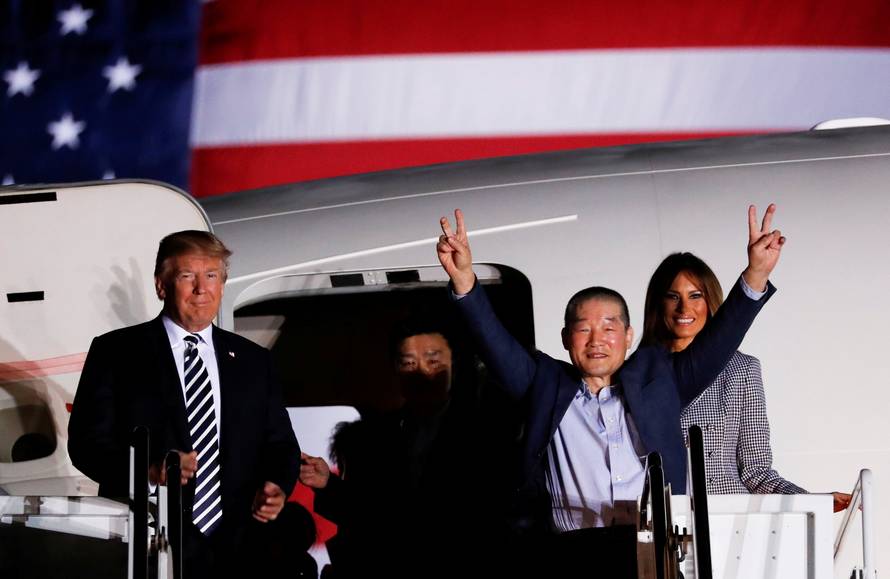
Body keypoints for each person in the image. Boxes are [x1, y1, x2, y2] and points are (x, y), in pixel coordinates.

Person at [435, 205, 783, 571]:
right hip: (572, 555)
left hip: (654, 552)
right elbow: (496, 345)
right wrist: (465, 283)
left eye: (609, 327)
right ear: (567, 338)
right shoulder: (545, 384)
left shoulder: (659, 381)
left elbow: (719, 341)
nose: (597, 339)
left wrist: (755, 275)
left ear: (628, 336)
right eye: (584, 328)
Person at [68, 230, 300, 578]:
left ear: (222, 284)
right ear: (162, 286)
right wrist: (147, 473)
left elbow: (280, 444)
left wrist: (278, 486)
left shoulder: (254, 361)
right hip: (148, 546)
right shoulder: (117, 353)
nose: (201, 289)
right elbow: (86, 445)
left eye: (211, 276)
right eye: (187, 276)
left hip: (241, 549)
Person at [300, 314, 514, 577]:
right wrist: (328, 485)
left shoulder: (487, 433)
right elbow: (366, 513)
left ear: (453, 365)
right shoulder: (371, 437)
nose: (422, 373)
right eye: (409, 364)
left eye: (433, 361)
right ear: (395, 370)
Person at [640, 252, 852, 511]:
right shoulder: (636, 375)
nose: (685, 308)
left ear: (710, 301)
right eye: (673, 296)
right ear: (658, 304)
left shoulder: (742, 370)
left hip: (729, 523)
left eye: (696, 296)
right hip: (662, 525)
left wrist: (811, 501)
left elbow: (756, 471)